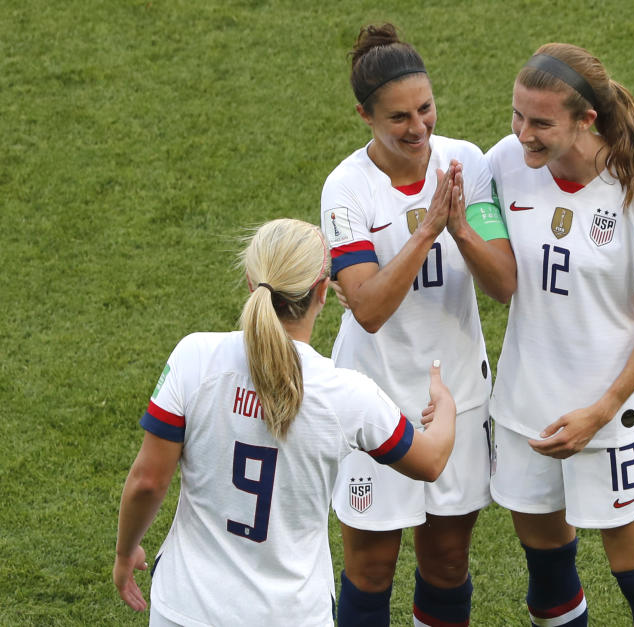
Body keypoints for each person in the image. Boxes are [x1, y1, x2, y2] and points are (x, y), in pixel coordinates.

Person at [113, 218, 457, 626]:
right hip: (292, 614)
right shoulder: (346, 394)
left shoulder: (195, 358)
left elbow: (147, 482)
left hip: (187, 608)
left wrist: (125, 552)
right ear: (323, 293)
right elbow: (431, 461)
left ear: (250, 280)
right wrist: (446, 407)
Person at [486, 43, 634, 627]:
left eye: (541, 122)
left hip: (611, 416)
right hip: (527, 410)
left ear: (585, 120)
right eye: (517, 115)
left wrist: (600, 411)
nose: (523, 133)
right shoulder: (504, 163)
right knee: (547, 573)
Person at [321, 23, 516, 627]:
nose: (419, 128)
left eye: (426, 109)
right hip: (373, 393)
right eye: (399, 117)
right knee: (371, 569)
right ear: (365, 115)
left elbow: (504, 285)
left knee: (448, 563)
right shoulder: (346, 188)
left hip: (458, 393)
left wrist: (460, 228)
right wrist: (429, 228)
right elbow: (369, 309)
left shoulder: (469, 163)